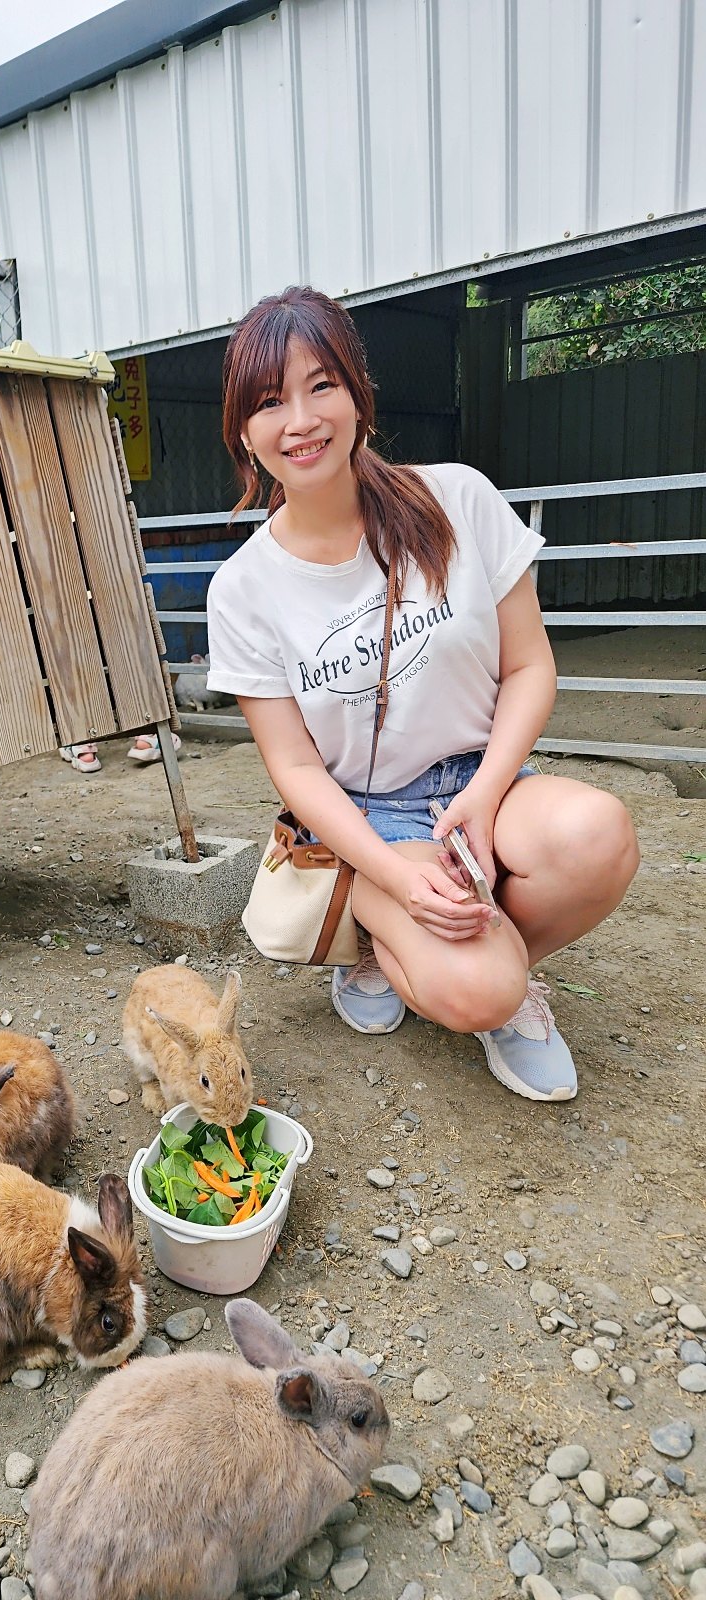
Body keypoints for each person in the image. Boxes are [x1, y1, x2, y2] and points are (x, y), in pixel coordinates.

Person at [206, 287, 639, 1102]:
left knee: (600, 836)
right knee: (477, 991)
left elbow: (530, 669)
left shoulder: (457, 500)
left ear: (359, 395)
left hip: (485, 783)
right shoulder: (243, 590)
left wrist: (481, 793)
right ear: (243, 429)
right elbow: (296, 770)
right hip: (368, 816)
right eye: (270, 401)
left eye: (320, 385)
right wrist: (400, 879)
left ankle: (499, 962)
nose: (299, 419)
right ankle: (397, 934)